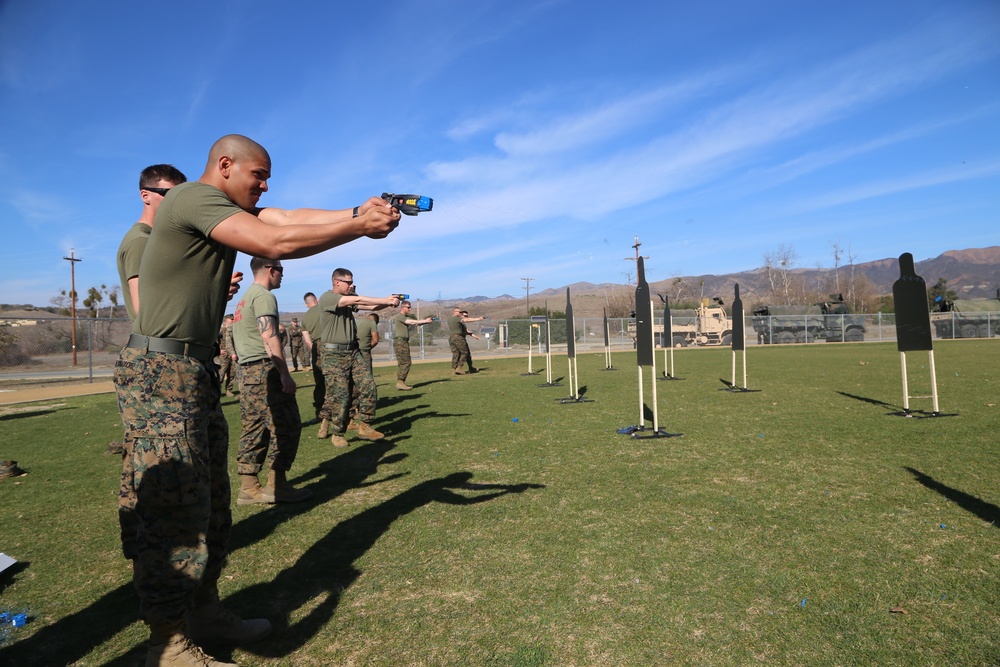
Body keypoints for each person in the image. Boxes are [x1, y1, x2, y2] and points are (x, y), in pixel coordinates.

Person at [114, 134, 400, 667]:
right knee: (172, 507)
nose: (265, 186)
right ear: (224, 166)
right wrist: (358, 229)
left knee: (212, 503)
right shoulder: (192, 199)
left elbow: (287, 217)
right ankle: (167, 643)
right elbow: (277, 243)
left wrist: (354, 210)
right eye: (258, 176)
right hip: (161, 372)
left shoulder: (219, 206)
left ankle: (204, 613)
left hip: (193, 369)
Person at [114, 164, 187, 578]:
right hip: (157, 367)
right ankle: (151, 553)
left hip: (157, 363)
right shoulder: (142, 242)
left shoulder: (153, 241)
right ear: (146, 195)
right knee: (160, 470)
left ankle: (140, 544)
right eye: (169, 195)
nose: (177, 205)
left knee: (142, 461)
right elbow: (148, 312)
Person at [232, 257, 311, 506]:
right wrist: (284, 373)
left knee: (254, 427)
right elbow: (270, 336)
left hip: (246, 372)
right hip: (264, 370)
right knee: (286, 425)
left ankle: (249, 487)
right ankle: (277, 486)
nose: (282, 275)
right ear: (269, 269)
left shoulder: (244, 298)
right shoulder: (264, 296)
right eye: (280, 270)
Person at [315, 268, 399, 447]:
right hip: (333, 355)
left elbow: (369, 307)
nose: (352, 285)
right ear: (337, 282)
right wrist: (384, 298)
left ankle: (365, 427)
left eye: (353, 282)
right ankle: (337, 433)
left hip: (353, 352)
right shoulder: (328, 297)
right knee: (341, 396)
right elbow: (358, 299)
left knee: (368, 386)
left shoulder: (347, 301)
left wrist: (388, 303)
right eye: (349, 282)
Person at [391, 300, 433, 390]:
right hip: (400, 341)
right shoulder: (400, 316)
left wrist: (426, 321)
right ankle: (400, 381)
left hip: (403, 342)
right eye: (408, 307)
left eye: (410, 307)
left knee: (403, 362)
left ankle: (400, 382)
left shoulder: (404, 317)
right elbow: (411, 322)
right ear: (403, 307)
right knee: (406, 362)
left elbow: (416, 323)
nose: (410, 309)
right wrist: (425, 321)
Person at [301, 292, 325, 423]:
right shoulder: (323, 308)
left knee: (320, 381)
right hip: (329, 344)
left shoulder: (305, 318)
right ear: (317, 300)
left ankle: (320, 413)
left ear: (306, 304)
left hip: (316, 347)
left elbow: (308, 341)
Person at [447, 307, 482, 374]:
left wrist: (474, 336)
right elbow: (466, 323)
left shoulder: (450, 319)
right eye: (460, 313)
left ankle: (455, 369)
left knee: (456, 353)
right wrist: (479, 319)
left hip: (452, 338)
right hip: (458, 338)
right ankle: (459, 368)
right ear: (455, 312)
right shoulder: (457, 319)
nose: (466, 317)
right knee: (465, 352)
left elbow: (465, 331)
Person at [217, 314, 238, 396]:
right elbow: (216, 341)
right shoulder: (222, 330)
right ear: (226, 322)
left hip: (232, 354)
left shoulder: (234, 330)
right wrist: (220, 349)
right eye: (230, 321)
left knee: (232, 373)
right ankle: (218, 389)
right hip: (223, 355)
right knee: (221, 373)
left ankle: (229, 390)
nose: (232, 323)